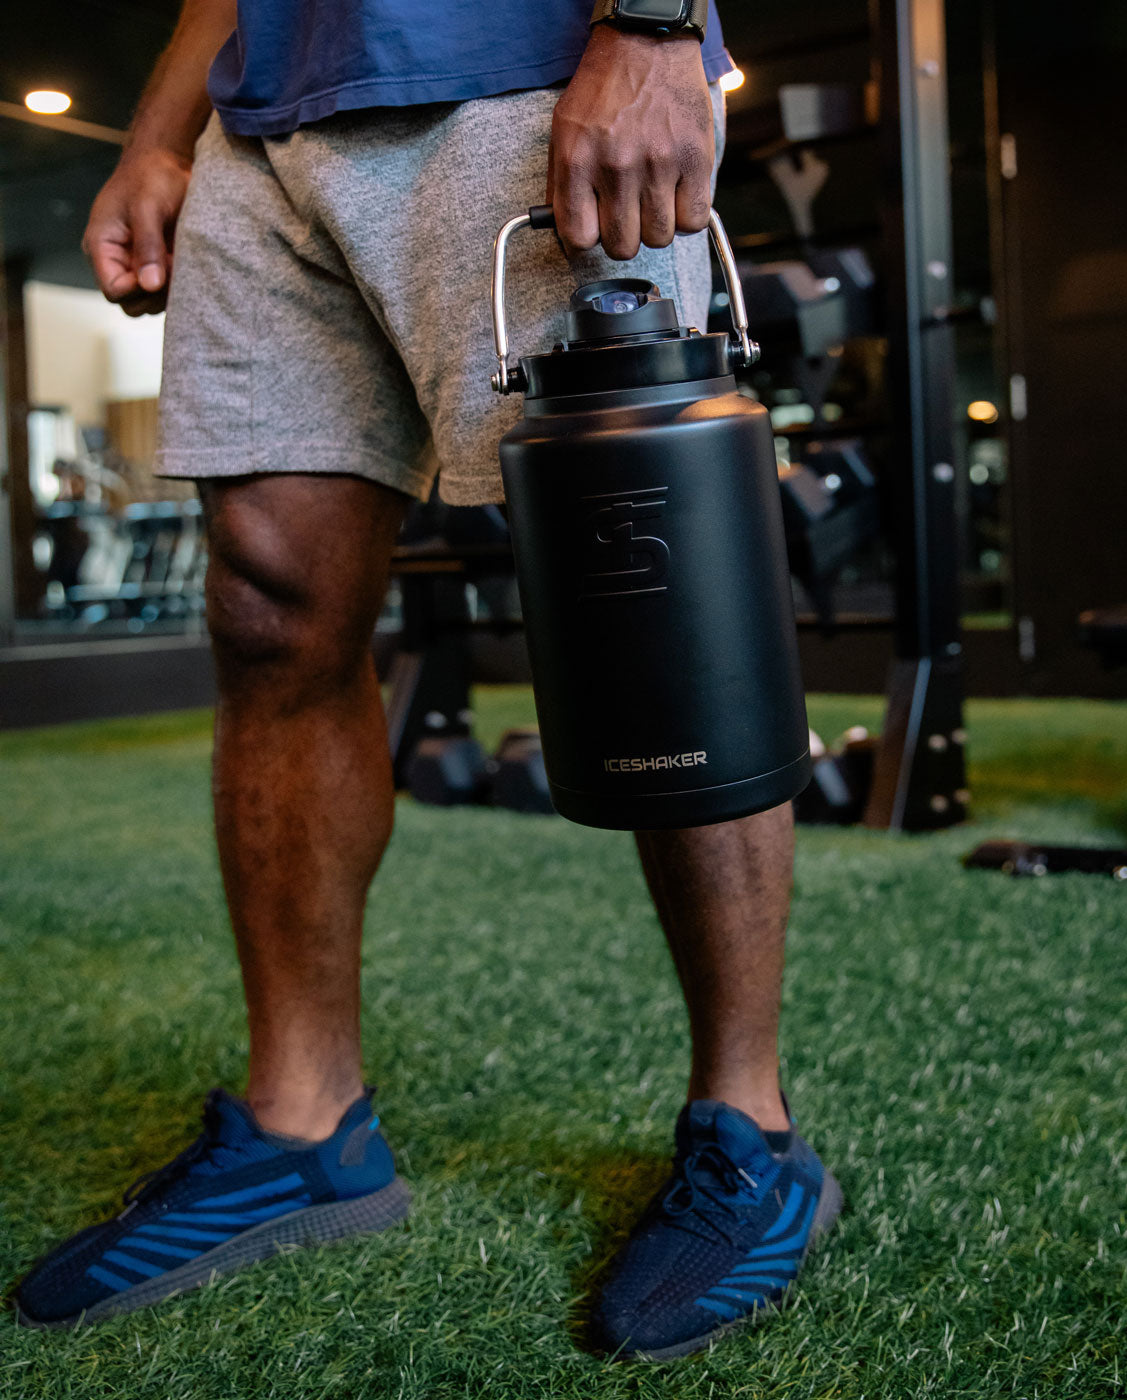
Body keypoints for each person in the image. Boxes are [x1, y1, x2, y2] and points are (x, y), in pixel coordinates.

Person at [16, 0, 842, 1359]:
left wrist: (646, 30)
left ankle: (747, 1128)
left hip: (523, 75)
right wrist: (161, 137)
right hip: (268, 130)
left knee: (662, 595)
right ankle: (305, 1127)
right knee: (270, 607)